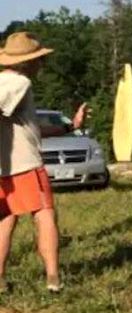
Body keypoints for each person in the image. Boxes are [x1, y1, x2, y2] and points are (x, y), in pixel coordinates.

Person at [0, 32, 87, 293]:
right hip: (24, 166)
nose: (42, 65)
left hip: (5, 168)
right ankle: (53, 280)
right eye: (39, 60)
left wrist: (71, 127)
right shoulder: (19, 83)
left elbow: (30, 130)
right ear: (27, 62)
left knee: (5, 220)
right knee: (46, 215)